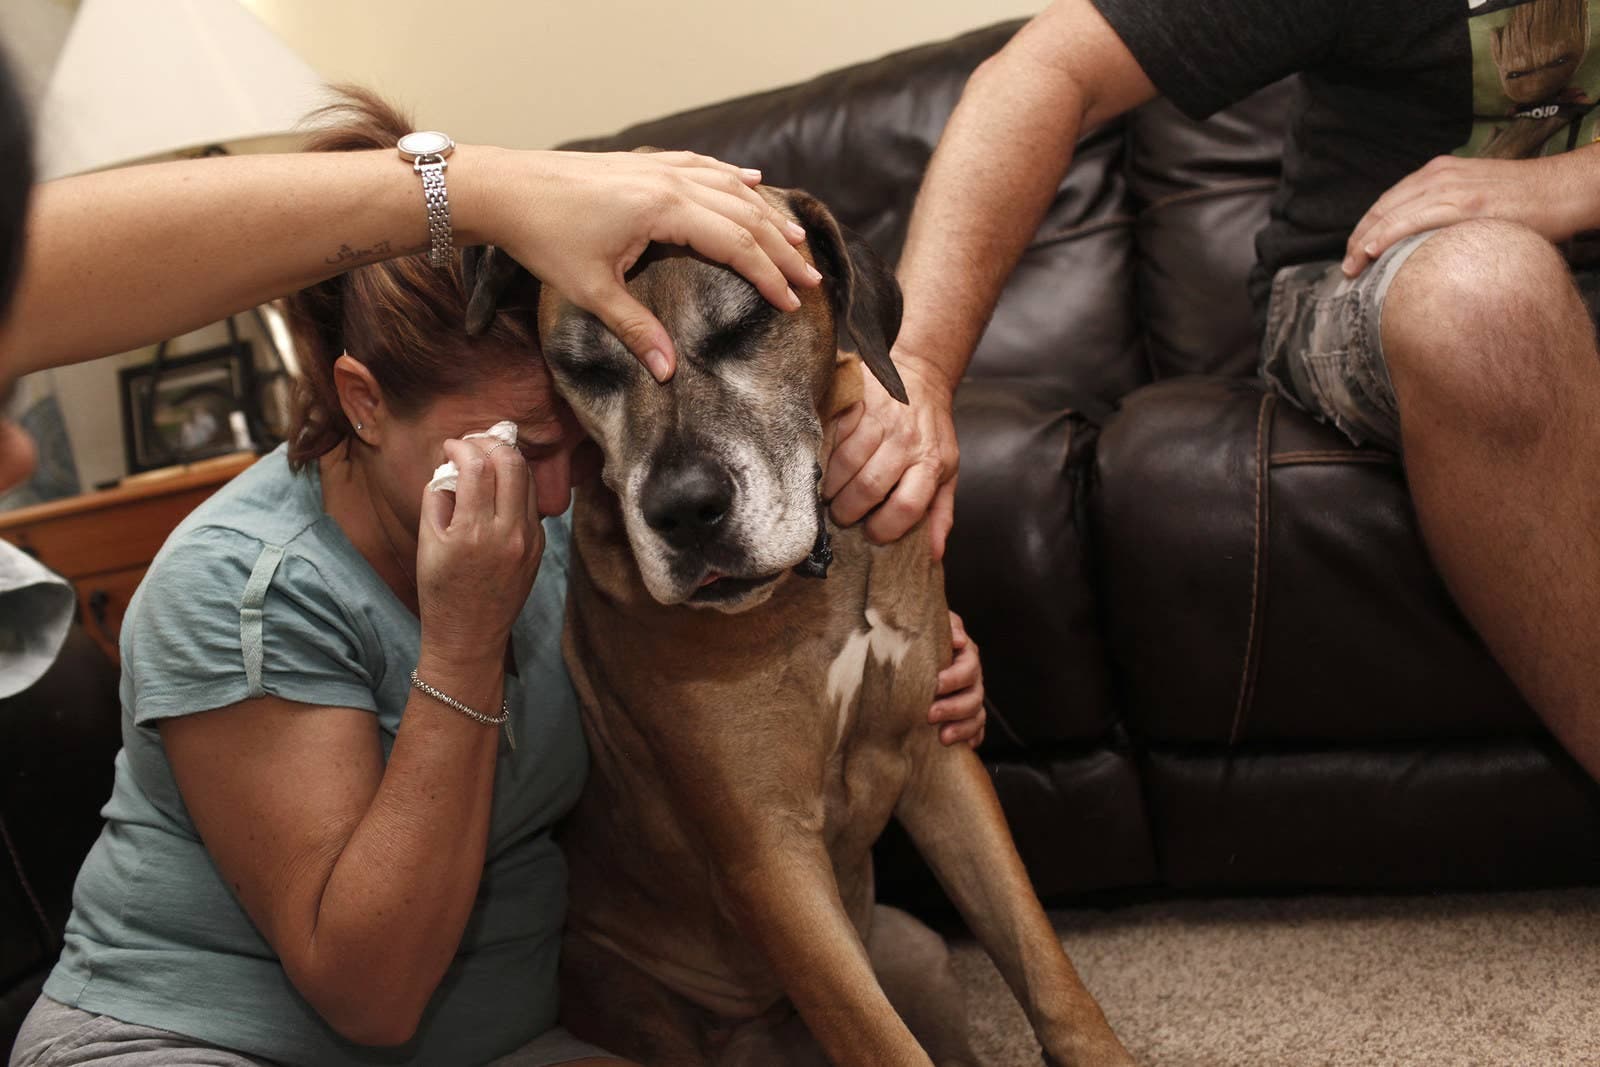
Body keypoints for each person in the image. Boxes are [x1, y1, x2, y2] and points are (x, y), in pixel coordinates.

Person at [4, 72, 989, 1066]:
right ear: (361, 400)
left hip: (501, 1039)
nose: (563, 496)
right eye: (519, 448)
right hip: (189, 1041)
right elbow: (371, 993)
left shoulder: (586, 500)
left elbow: (759, 682)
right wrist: (464, 640)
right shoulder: (233, 587)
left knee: (901, 980)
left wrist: (907, 676)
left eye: (584, 435)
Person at [834, 0, 1600, 784]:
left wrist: (1570, 182)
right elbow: (1047, 70)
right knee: (1486, 293)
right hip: (1392, 288)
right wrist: (920, 366)